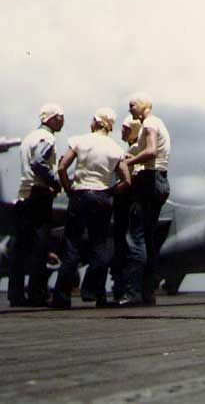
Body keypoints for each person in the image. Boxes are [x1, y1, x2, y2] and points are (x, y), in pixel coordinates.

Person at [51, 108, 130, 308]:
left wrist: (68, 188)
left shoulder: (79, 140)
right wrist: (110, 192)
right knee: (100, 246)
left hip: (79, 195)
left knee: (72, 246)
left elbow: (61, 167)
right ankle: (98, 295)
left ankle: (62, 297)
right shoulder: (116, 148)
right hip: (102, 197)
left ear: (96, 122)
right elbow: (126, 180)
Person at [8, 103, 64, 307]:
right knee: (41, 246)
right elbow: (39, 162)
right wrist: (55, 182)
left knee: (20, 247)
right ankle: (36, 293)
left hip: (23, 194)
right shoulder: (47, 138)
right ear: (51, 118)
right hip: (39, 194)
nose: (63, 120)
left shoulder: (28, 138)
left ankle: (15, 294)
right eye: (60, 116)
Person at [118, 92, 171, 306]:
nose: (130, 109)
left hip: (148, 180)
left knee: (135, 238)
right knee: (148, 239)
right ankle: (148, 293)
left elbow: (150, 151)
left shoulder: (149, 123)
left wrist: (130, 162)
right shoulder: (158, 123)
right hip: (160, 179)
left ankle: (132, 293)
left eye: (132, 105)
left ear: (142, 105)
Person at [109, 115, 142, 301]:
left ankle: (129, 290)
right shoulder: (134, 149)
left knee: (130, 246)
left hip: (127, 207)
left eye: (126, 128)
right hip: (129, 206)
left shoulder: (134, 151)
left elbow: (127, 182)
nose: (121, 131)